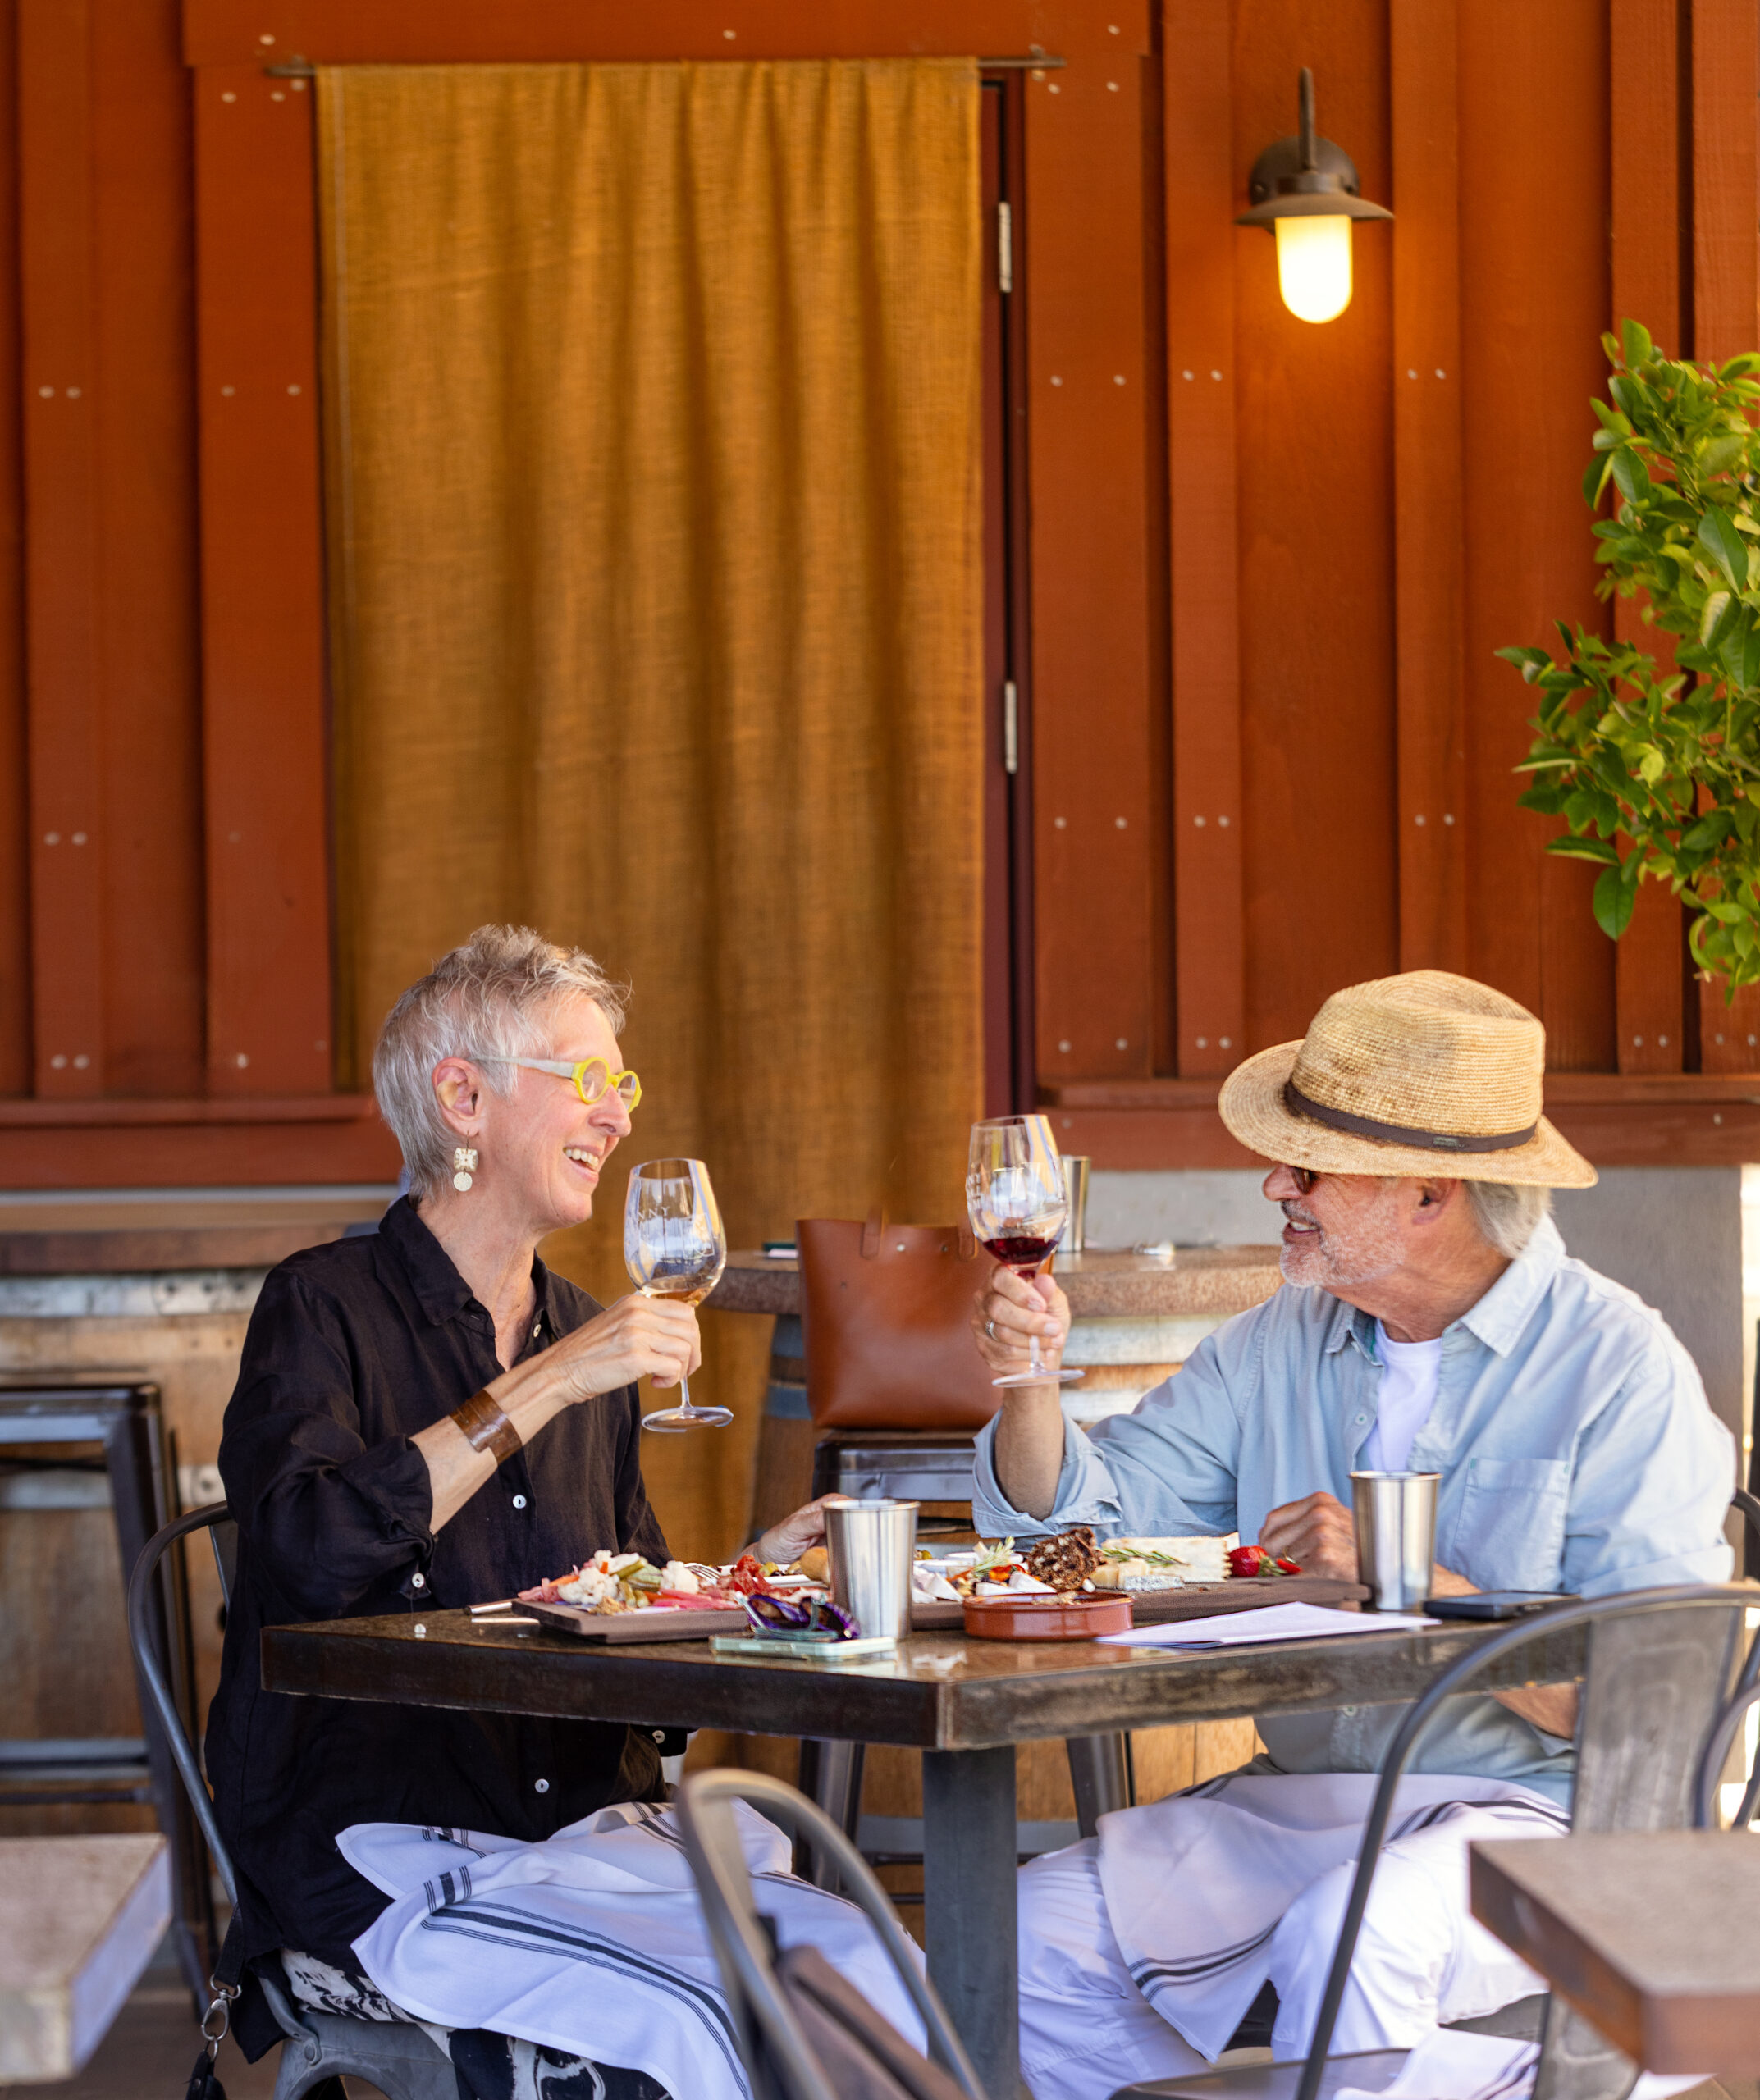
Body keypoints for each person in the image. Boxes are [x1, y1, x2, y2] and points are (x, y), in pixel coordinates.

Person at [970, 970, 1735, 2100]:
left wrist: (1403, 1584)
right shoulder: (1278, 1339)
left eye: (1308, 1164)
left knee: (1352, 1933)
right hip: (1310, 1801)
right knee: (1023, 1935)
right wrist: (1030, 1382)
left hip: (1556, 1819)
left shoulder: (1619, 1367)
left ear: (1428, 1193)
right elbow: (1082, 1532)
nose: (1273, 1182)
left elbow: (1652, 1710)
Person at [207, 925, 850, 2097]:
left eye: (625, 1086)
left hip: (576, 1834)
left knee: (850, 1964)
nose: (618, 1116)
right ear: (462, 1097)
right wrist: (545, 1384)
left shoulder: (581, 1326)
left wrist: (755, 1581)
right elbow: (304, 1555)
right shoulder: (322, 1306)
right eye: (590, 1081)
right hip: (383, 1844)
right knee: (702, 2009)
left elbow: (620, 1606)